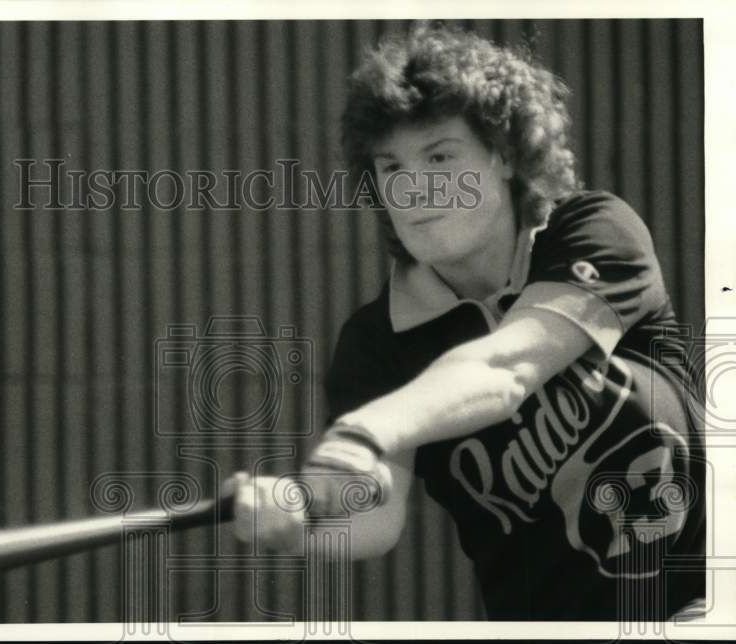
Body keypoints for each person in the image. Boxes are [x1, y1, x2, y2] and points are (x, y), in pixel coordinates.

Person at [232, 25, 706, 621]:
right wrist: (297, 522)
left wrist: (364, 430)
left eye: (440, 156)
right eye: (391, 167)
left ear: (504, 156)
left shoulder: (592, 230)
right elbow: (375, 518)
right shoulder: (377, 342)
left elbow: (508, 366)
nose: (413, 187)